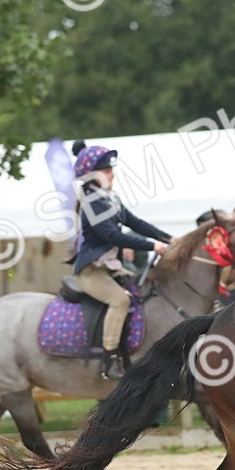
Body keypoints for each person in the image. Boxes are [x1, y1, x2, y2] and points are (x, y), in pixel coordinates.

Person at [71, 140, 176, 379]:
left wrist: (170, 239)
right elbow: (112, 235)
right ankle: (109, 361)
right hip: (91, 271)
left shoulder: (110, 199)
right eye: (108, 171)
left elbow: (135, 223)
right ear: (93, 175)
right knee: (120, 301)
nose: (113, 175)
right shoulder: (91, 204)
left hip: (110, 268)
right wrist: (153, 246)